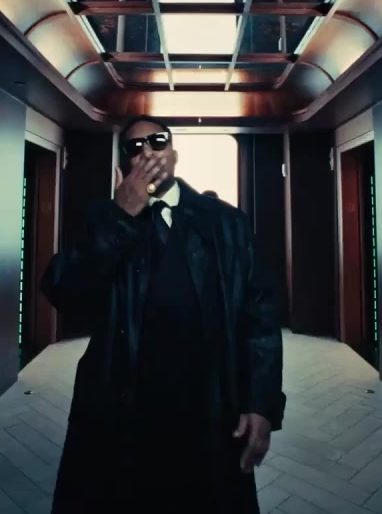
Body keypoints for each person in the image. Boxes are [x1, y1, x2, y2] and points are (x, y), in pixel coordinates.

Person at [42, 115, 284, 513]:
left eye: (157, 142)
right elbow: (64, 292)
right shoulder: (102, 219)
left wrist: (261, 401)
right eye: (135, 147)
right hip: (123, 406)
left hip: (208, 403)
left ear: (174, 154)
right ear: (124, 164)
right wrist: (121, 217)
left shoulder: (226, 223)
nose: (148, 152)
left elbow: (260, 317)